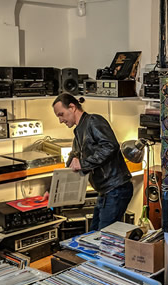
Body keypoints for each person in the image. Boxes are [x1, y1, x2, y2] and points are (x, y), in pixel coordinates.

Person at [52, 93, 133, 231]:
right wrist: (52, 190)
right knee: (94, 234)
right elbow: (72, 162)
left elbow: (110, 146)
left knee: (104, 237)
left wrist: (83, 164)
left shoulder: (94, 120)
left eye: (61, 114)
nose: (60, 120)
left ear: (72, 107)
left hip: (116, 188)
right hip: (105, 191)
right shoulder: (78, 131)